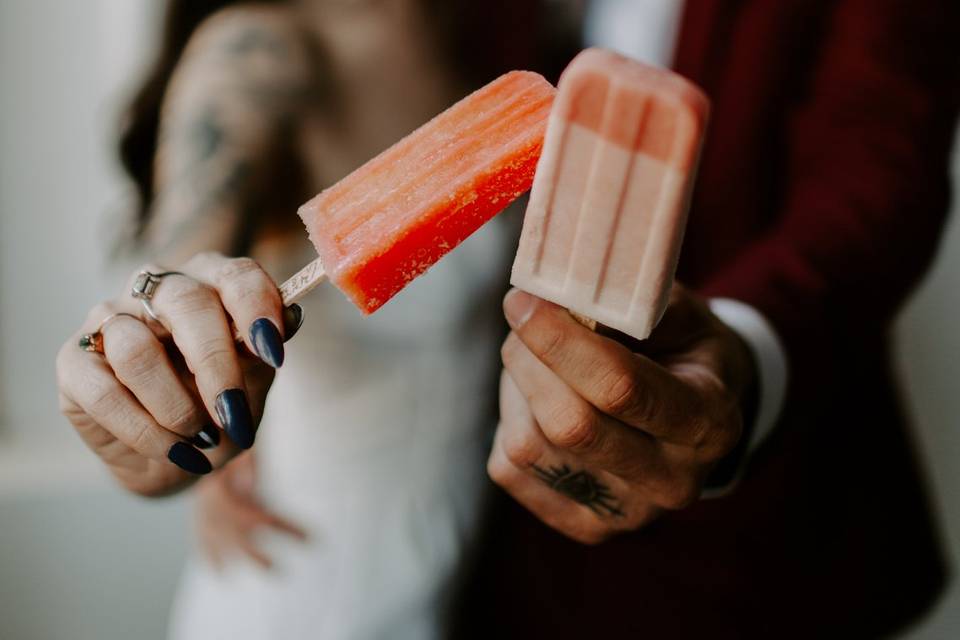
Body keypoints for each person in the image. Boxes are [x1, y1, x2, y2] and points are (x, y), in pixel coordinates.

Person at [52, 1, 958, 639]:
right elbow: (178, 254)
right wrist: (163, 351)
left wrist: (740, 357)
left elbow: (878, 174)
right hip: (317, 580)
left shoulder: (481, 37)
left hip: (492, 578)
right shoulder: (260, 51)